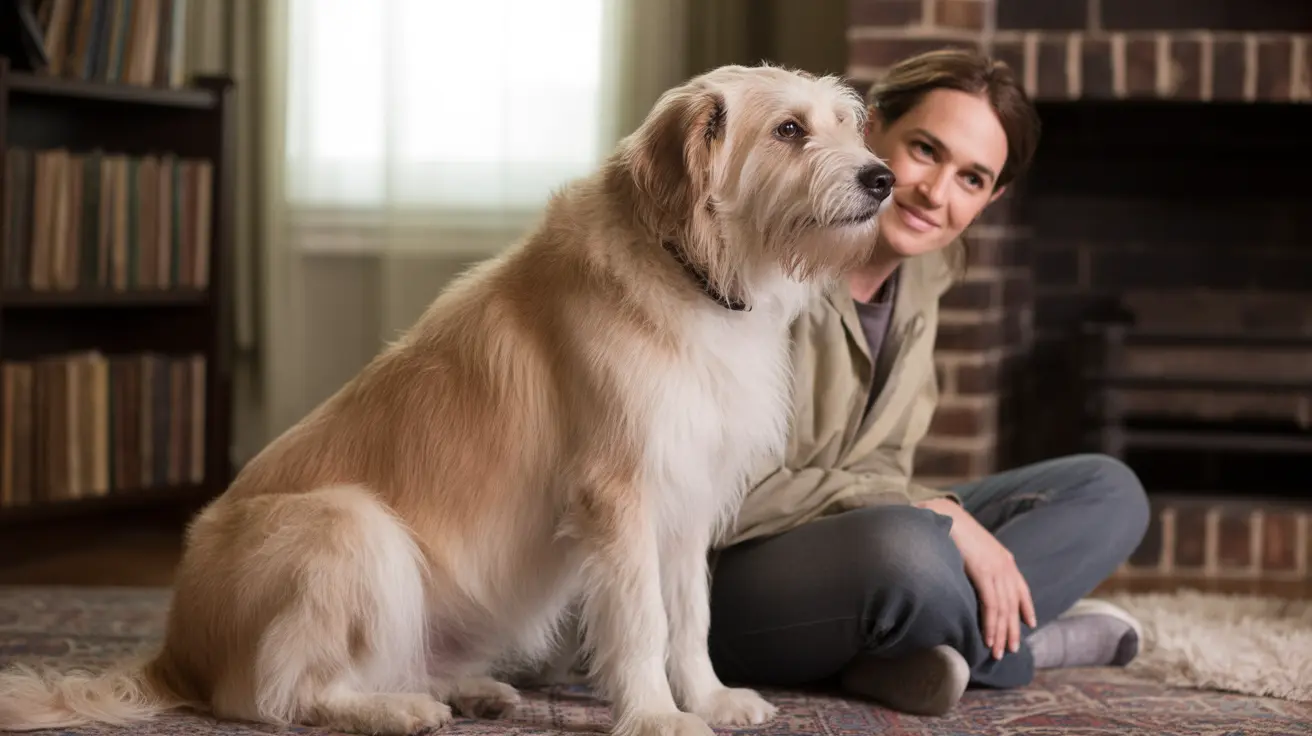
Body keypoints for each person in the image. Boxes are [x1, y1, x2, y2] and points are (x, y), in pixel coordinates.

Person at [704, 49, 1152, 717]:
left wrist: (926, 510)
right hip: (726, 577)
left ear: (992, 198)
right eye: (924, 149)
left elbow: (884, 462)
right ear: (868, 127)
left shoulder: (925, 274)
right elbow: (722, 493)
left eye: (972, 179)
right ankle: (1029, 644)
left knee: (1110, 492)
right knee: (911, 555)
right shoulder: (770, 255)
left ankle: (905, 654)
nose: (936, 194)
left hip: (853, 549)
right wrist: (929, 512)